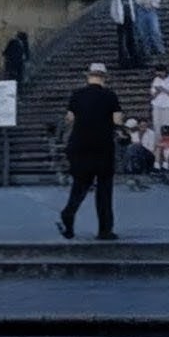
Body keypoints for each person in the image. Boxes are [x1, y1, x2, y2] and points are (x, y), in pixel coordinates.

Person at [58, 61, 122, 240]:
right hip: (102, 146)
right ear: (104, 78)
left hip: (79, 144)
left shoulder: (77, 95)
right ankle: (104, 229)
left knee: (80, 184)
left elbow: (69, 118)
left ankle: (69, 211)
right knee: (104, 189)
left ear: (88, 76)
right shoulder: (110, 96)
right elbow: (117, 120)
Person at [148, 63, 169, 140]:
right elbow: (152, 96)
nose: (159, 75)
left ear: (164, 71)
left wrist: (164, 90)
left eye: (160, 73)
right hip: (157, 106)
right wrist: (158, 91)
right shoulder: (156, 80)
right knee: (157, 126)